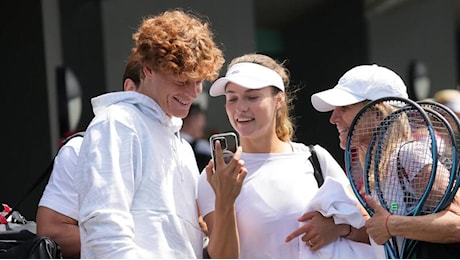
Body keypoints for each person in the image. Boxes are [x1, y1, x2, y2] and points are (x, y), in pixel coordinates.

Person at [74, 9, 225, 258]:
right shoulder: (118, 123)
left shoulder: (182, 146)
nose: (192, 92)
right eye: (181, 80)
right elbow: (104, 229)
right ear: (147, 70)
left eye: (198, 81)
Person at [197, 53, 375, 258]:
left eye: (252, 97)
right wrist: (225, 201)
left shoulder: (315, 158)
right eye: (232, 98)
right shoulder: (215, 176)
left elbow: (370, 230)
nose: (240, 107)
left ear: (278, 100)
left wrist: (339, 228)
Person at [311, 64, 460, 258]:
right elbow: (386, 237)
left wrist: (391, 225)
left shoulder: (410, 154)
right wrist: (343, 230)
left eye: (345, 108)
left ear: (378, 111)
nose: (333, 118)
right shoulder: (379, 167)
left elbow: (457, 223)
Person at [36, 54, 143, 258]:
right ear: (130, 89)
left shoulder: (181, 150)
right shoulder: (80, 148)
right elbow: (52, 231)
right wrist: (132, 246)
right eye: (175, 84)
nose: (188, 93)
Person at [181, 103, 212, 172]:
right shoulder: (201, 146)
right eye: (202, 120)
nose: (204, 124)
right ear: (192, 120)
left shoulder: (166, 141)